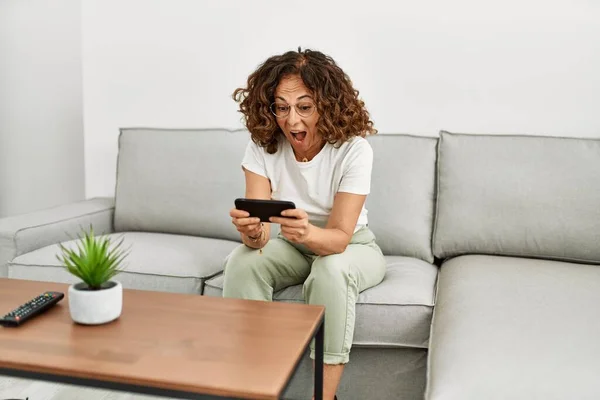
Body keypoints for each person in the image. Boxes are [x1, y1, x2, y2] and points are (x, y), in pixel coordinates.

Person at [223, 48, 386, 400]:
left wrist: (309, 231)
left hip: (353, 246)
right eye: (281, 107)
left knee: (330, 270)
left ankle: (323, 398)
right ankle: (251, 387)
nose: (292, 120)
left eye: (304, 107)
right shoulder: (263, 146)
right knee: (242, 261)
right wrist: (252, 231)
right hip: (294, 245)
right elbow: (261, 235)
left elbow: (340, 239)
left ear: (327, 104)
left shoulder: (354, 149)